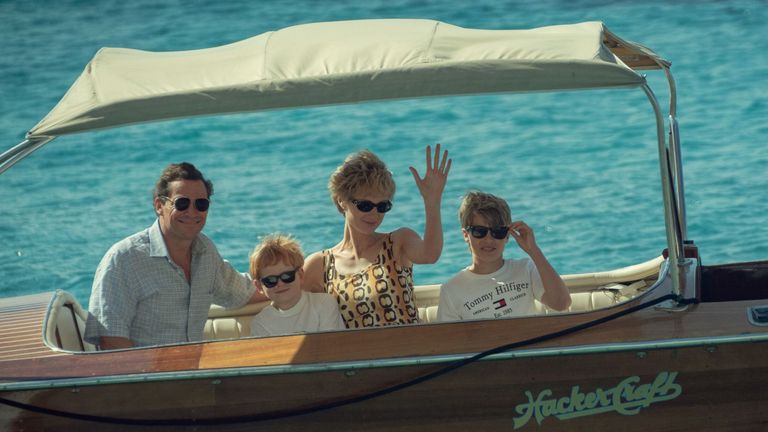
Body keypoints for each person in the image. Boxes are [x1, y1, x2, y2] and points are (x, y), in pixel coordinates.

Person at [84, 162, 264, 349]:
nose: (192, 212)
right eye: (182, 203)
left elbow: (242, 291)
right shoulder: (124, 259)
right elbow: (111, 340)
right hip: (146, 375)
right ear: (159, 206)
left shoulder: (205, 252)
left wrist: (292, 276)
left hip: (193, 371)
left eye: (201, 204)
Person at [303, 145, 451, 328]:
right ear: (342, 201)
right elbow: (283, 292)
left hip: (411, 352)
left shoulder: (397, 242)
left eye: (382, 206)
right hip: (359, 355)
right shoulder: (320, 265)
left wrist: (432, 199)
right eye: (365, 206)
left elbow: (430, 254)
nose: (374, 214)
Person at [437, 191, 571, 321]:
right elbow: (449, 341)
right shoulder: (451, 290)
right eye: (480, 231)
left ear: (507, 235)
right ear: (466, 235)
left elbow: (561, 304)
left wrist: (534, 251)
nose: (489, 240)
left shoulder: (526, 269)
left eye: (498, 232)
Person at [248, 234, 344, 337]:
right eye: (270, 280)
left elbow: (330, 347)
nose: (280, 283)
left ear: (300, 275)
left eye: (287, 276)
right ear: (258, 286)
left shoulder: (324, 304)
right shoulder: (260, 323)